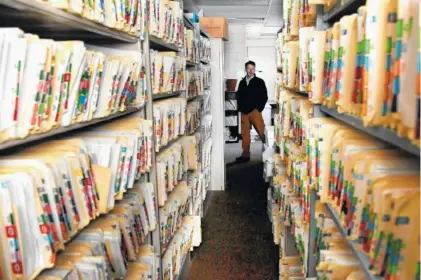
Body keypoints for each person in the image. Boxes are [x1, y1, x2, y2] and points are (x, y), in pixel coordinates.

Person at [236, 60, 268, 163]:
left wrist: (259, 108)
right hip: (244, 112)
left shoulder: (260, 82)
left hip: (255, 111)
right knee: (245, 134)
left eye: (252, 68)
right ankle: (245, 154)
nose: (251, 70)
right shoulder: (242, 83)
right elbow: (238, 97)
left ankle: (269, 150)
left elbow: (264, 96)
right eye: (249, 68)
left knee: (262, 131)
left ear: (255, 69)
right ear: (245, 69)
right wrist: (240, 108)